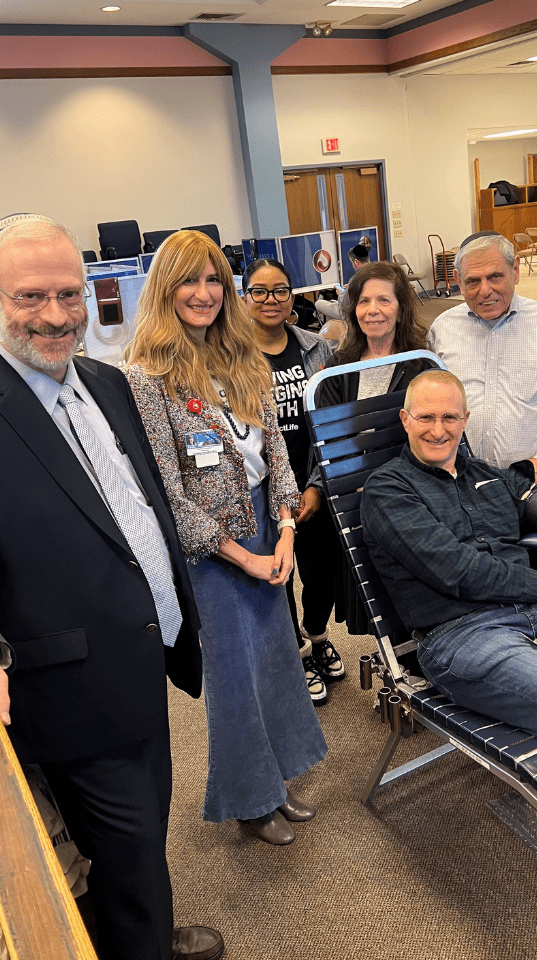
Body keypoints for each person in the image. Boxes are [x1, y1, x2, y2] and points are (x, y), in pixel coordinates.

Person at [0, 216, 224, 960]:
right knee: (126, 848)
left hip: (141, 656)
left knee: (138, 834)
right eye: (30, 296)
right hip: (65, 682)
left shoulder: (106, 381)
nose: (57, 316)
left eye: (71, 293)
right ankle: (143, 938)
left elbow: (134, 503)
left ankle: (137, 928)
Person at [125, 231, 327, 847]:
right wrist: (243, 555)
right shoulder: (146, 376)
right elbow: (169, 494)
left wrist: (287, 529)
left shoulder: (244, 357)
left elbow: (277, 457)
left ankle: (276, 778)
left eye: (214, 280)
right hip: (212, 553)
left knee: (276, 665)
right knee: (235, 677)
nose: (204, 293)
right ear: (166, 289)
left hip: (270, 531)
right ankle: (249, 799)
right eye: (189, 280)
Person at [361, 368, 537, 737]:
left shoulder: (486, 474)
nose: (438, 430)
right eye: (426, 417)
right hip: (465, 636)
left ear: (465, 420)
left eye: (449, 417)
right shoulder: (388, 490)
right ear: (405, 420)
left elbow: (528, 497)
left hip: (530, 611)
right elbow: (461, 572)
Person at [242, 258, 345, 707]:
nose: (270, 300)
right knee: (278, 578)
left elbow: (332, 423)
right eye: (260, 291)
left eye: (280, 290)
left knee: (322, 574)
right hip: (265, 493)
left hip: (314, 484)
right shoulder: (231, 356)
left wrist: (318, 486)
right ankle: (297, 653)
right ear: (245, 297)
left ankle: (317, 634)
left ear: (292, 296)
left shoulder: (317, 350)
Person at [318, 260, 428, 634]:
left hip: (407, 500)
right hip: (355, 501)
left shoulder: (421, 365)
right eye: (364, 301)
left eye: (384, 300)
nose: (373, 310)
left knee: (413, 600)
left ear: (401, 308)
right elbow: (331, 443)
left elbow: (430, 438)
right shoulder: (339, 367)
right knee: (375, 603)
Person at [427, 231, 537, 479]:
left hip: (531, 479)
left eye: (495, 277)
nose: (485, 291)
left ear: (516, 271)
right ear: (457, 279)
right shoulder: (443, 329)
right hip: (459, 481)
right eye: (473, 281)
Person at [314, 239, 372, 324]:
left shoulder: (355, 279)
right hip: (369, 309)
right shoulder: (377, 274)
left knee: (318, 303)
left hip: (351, 314)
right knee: (333, 303)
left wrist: (340, 292)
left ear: (356, 262)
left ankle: (329, 330)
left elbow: (343, 304)